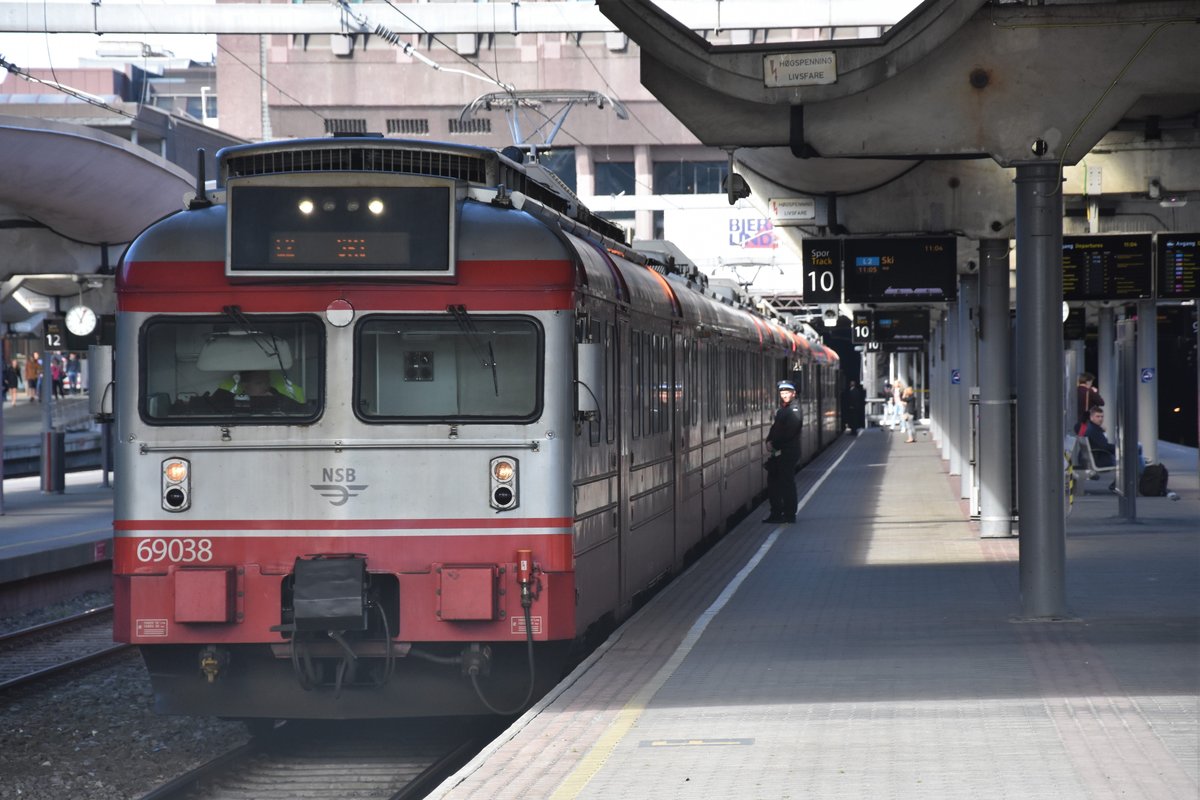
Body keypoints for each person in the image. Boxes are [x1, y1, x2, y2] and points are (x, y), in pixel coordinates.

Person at [763, 380, 803, 524]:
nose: (784, 395)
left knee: (786, 483)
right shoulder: (784, 409)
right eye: (782, 393)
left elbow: (790, 431)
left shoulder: (794, 410)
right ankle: (776, 513)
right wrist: (769, 440)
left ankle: (789, 514)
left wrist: (774, 444)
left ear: (793, 393)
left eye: (787, 393)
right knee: (774, 482)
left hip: (787, 451)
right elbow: (775, 429)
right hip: (780, 451)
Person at [209, 369, 306, 412]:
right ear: (245, 385)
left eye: (267, 382)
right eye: (259, 383)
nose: (266, 386)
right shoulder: (229, 402)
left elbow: (301, 411)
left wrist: (273, 403)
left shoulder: (279, 400)